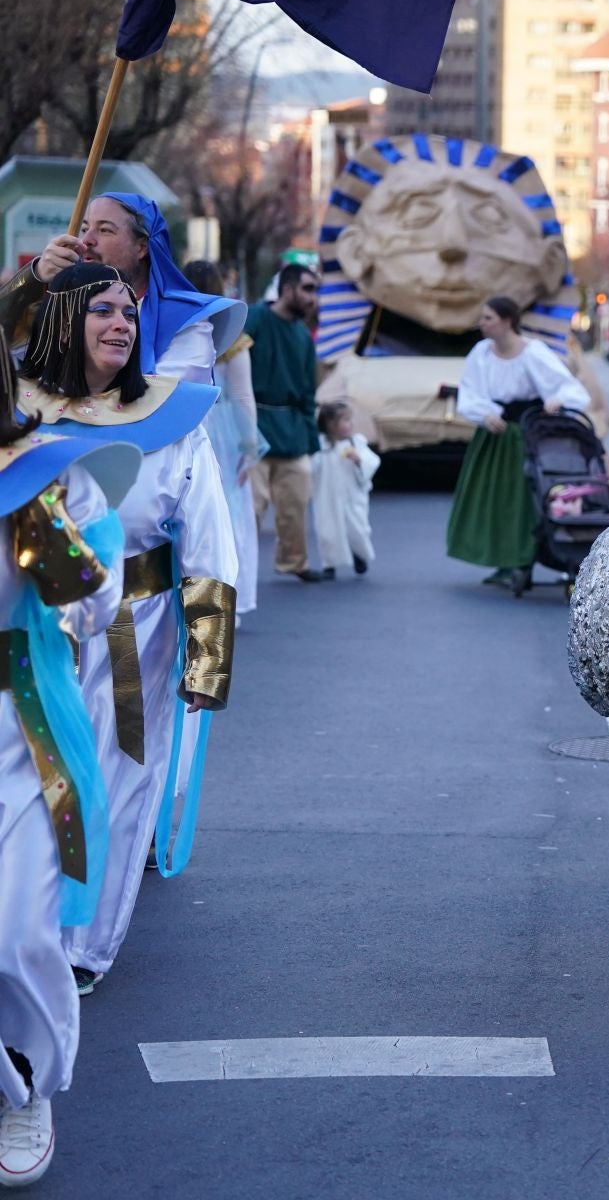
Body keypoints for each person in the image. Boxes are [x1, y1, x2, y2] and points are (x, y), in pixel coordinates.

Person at [22, 264, 240, 997]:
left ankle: (84, 947)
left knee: (119, 782)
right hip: (31, 627)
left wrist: (207, 658)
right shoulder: (17, 411)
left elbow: (208, 538)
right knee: (30, 779)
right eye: (102, 311)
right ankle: (29, 928)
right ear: (61, 322)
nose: (121, 323)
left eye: (128, 310)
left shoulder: (173, 419)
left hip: (134, 630)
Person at [0, 310, 135, 1187]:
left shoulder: (47, 470)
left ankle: (28, 1088)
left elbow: (95, 607)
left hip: (21, 722)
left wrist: (39, 524)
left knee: (17, 932)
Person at [5, 196, 245, 385]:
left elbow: (161, 404)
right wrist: (34, 277)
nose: (86, 240)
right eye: (85, 228)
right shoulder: (62, 308)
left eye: (105, 230)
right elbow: (7, 347)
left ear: (142, 248)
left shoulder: (185, 321)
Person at [446, 296, 590, 591]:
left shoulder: (532, 353)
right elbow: (469, 392)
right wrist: (485, 414)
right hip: (494, 435)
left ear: (507, 320)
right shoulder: (482, 353)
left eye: (488, 318)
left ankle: (520, 559)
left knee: (521, 500)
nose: (482, 323)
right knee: (493, 498)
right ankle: (502, 560)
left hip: (526, 434)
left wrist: (557, 401)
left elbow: (569, 387)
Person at [182, 261, 262, 617]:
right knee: (230, 514)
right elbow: (243, 397)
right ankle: (232, 595)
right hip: (222, 430)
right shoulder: (232, 337)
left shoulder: (175, 327)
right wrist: (250, 448)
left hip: (183, 419)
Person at [247, 264, 321, 583]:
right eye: (307, 289)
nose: (313, 298)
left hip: (290, 430)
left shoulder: (303, 336)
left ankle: (294, 561)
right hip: (254, 425)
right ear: (287, 289)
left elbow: (307, 390)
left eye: (315, 290)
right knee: (251, 507)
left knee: (296, 499)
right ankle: (235, 568)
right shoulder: (256, 319)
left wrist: (310, 438)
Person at [311, 402, 380, 579]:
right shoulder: (321, 446)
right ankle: (329, 564)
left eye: (350, 420)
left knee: (357, 528)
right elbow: (313, 466)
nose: (350, 424)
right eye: (345, 420)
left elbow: (372, 461)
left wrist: (359, 461)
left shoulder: (356, 443)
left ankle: (359, 555)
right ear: (330, 425)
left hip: (352, 497)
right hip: (328, 497)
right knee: (328, 531)